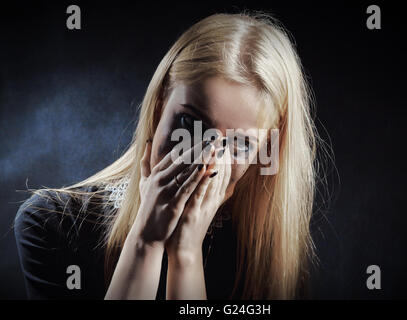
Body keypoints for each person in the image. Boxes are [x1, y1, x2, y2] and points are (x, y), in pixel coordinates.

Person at [14, 11, 320, 299]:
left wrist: (186, 253)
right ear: (160, 106)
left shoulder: (263, 254)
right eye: (190, 123)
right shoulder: (53, 224)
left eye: (239, 144)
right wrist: (146, 241)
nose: (208, 158)